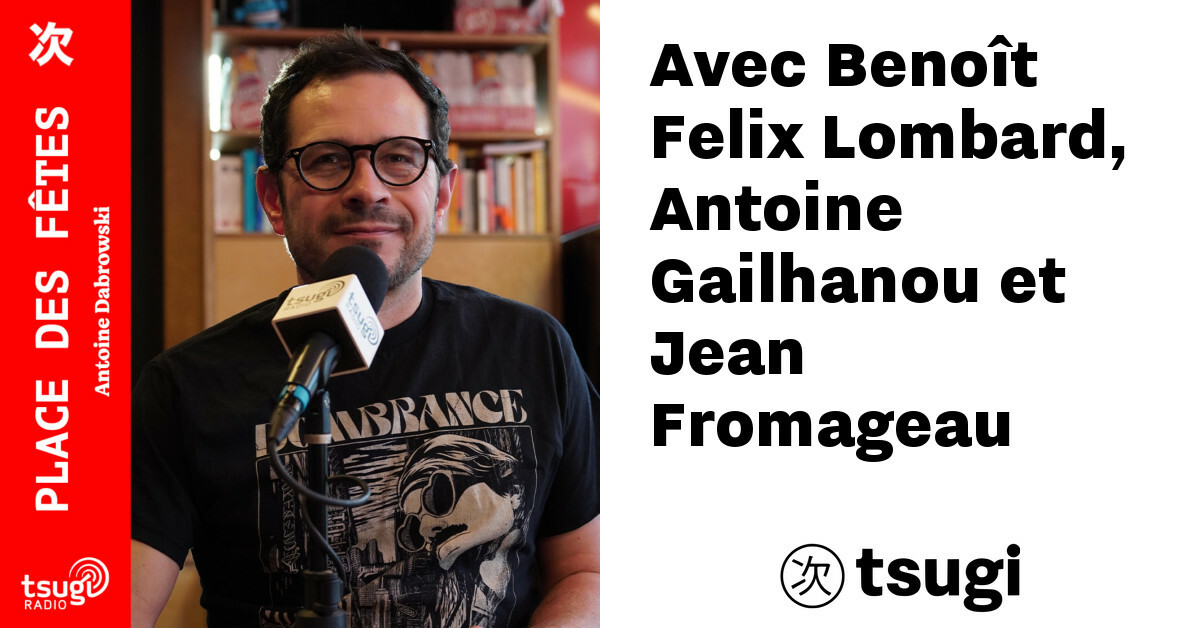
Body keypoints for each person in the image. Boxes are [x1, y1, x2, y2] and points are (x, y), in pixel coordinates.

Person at [131, 30, 599, 628]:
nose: (367, 188)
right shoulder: (184, 387)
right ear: (273, 198)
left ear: (442, 194)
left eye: (400, 157)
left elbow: (588, 571)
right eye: (327, 159)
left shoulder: (533, 346)